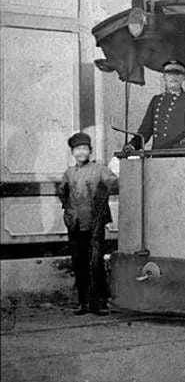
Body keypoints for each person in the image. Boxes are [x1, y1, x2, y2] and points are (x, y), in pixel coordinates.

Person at [58, 132, 118, 315]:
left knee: (95, 263)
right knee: (79, 263)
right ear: (72, 152)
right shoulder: (69, 173)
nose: (81, 152)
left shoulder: (100, 170)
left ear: (90, 151)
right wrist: (69, 214)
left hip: (94, 224)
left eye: (84, 149)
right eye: (77, 149)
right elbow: (63, 193)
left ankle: (100, 303)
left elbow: (115, 184)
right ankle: (83, 303)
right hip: (75, 225)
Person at [129, 60, 185, 150]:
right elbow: (145, 130)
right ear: (164, 77)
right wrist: (132, 145)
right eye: (169, 74)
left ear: (184, 78)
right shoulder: (156, 100)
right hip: (157, 153)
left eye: (178, 74)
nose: (173, 77)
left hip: (180, 154)